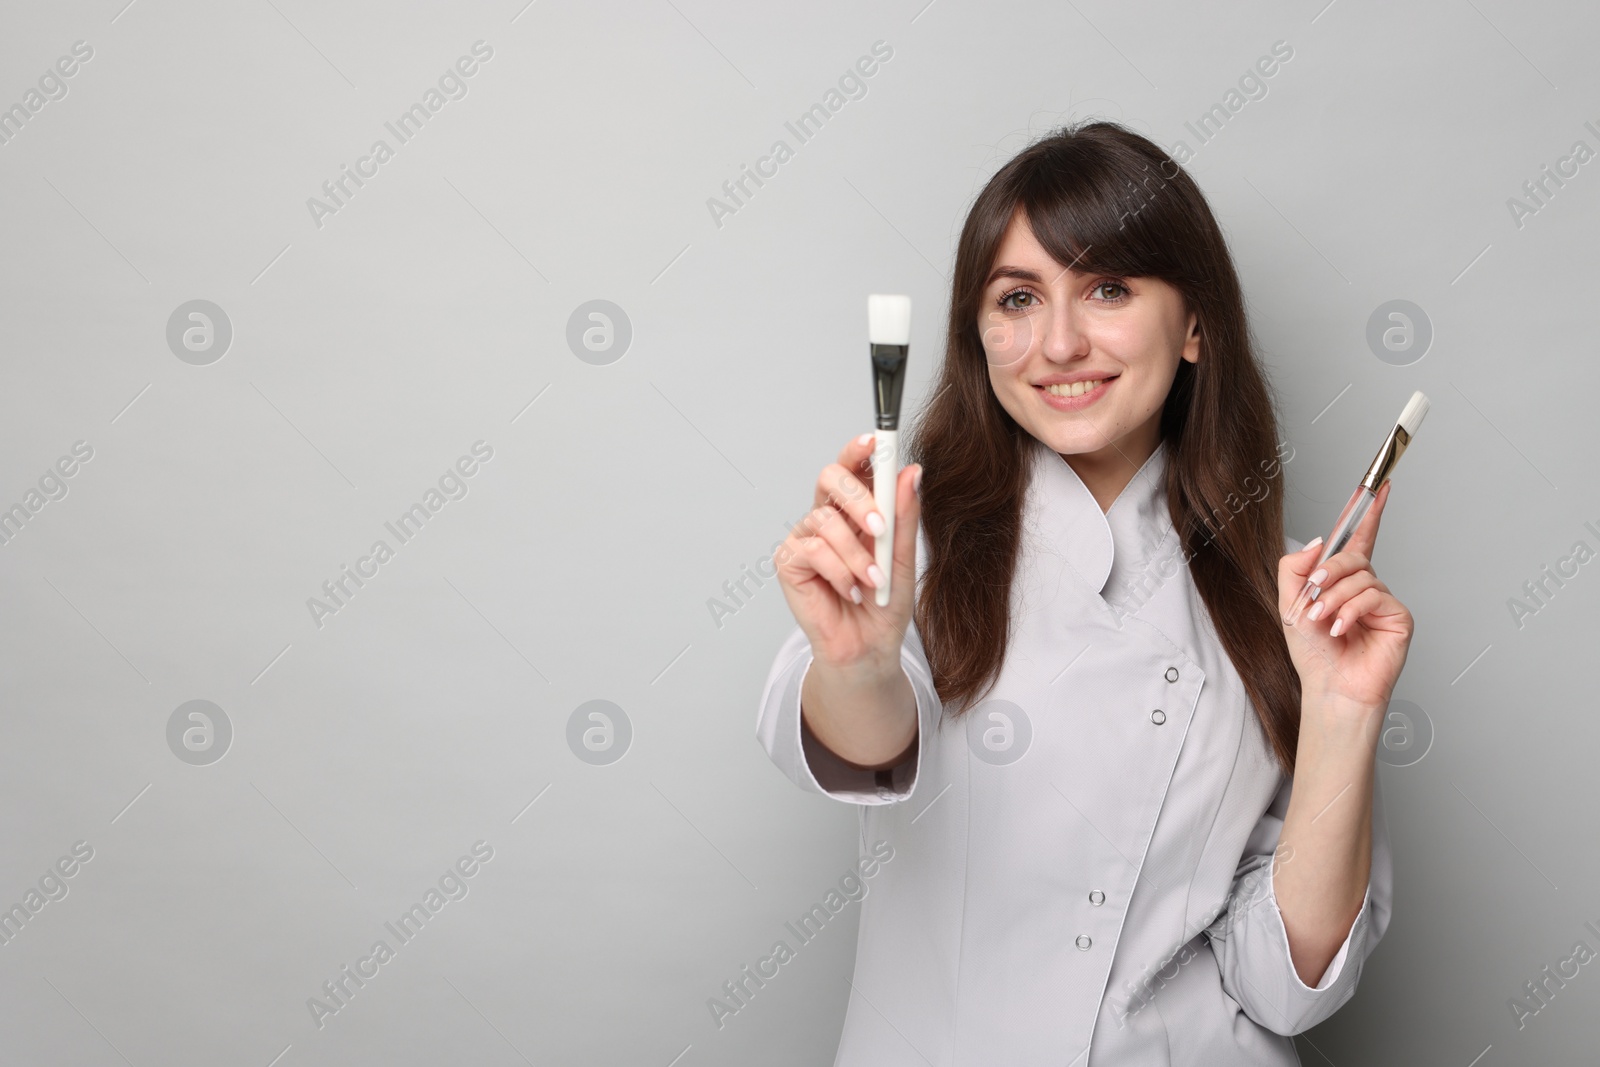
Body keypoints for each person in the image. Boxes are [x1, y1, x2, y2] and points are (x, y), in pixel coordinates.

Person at [755, 120, 1410, 1065]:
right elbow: (853, 745)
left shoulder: (1292, 598)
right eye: (1017, 298)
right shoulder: (911, 542)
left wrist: (1344, 714)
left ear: (1195, 323)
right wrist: (854, 662)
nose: (1058, 342)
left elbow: (1282, 985)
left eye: (1107, 288)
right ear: (978, 337)